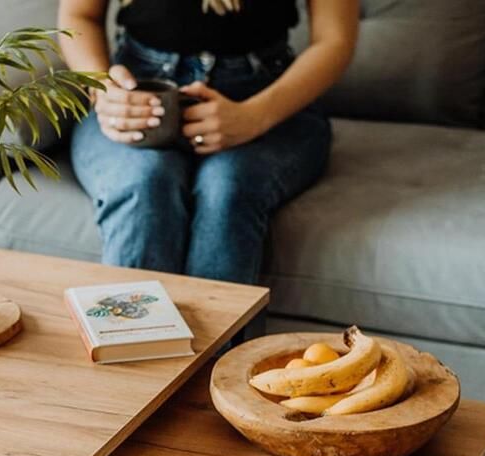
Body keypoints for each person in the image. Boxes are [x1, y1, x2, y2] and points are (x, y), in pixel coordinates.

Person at [59, 0, 358, 284]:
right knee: (143, 182)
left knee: (228, 186)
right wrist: (104, 88)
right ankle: (132, 337)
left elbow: (335, 39)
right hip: (139, 90)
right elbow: (79, 15)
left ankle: (220, 339)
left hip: (270, 95)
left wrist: (255, 117)